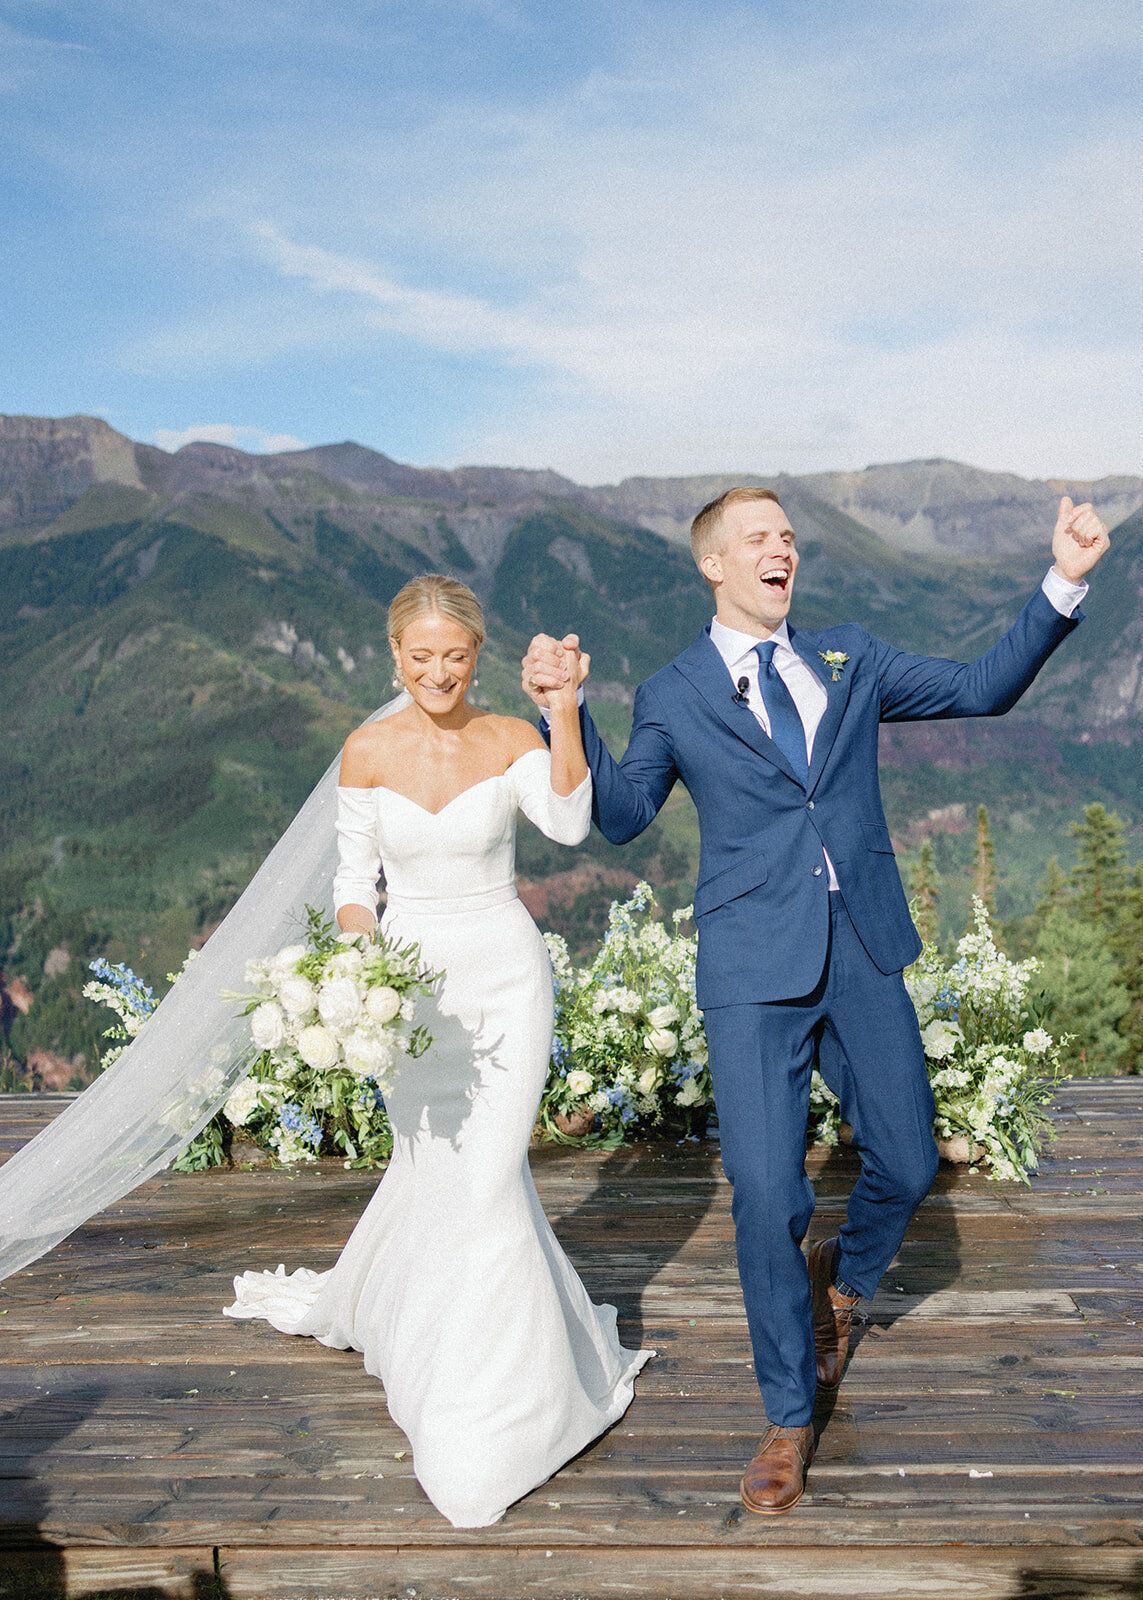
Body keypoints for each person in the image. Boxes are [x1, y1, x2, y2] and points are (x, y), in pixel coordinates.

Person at [522, 491, 1109, 1515]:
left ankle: (841, 1281)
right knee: (764, 1193)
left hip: (862, 944)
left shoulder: (850, 656)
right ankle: (790, 1416)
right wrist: (564, 711)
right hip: (752, 965)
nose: (780, 547)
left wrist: (1063, 576)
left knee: (910, 1153)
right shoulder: (672, 691)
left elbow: (984, 686)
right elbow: (617, 816)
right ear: (714, 564)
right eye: (758, 537)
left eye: (788, 535)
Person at [222, 574, 653, 1528]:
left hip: (504, 980)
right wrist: (361, 957)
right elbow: (350, 879)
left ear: (476, 655)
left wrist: (565, 712)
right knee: (434, 1168)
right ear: (395, 659)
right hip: (408, 996)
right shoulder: (366, 750)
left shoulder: (508, 738)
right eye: (420, 659)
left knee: (492, 1176)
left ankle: (493, 1408)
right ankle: (431, 1342)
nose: (438, 674)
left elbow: (572, 822)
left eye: (454, 657)